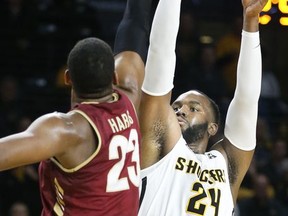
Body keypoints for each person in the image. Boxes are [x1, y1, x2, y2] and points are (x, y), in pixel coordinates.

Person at [0, 0, 153, 214]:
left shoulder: (68, 131)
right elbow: (135, 22)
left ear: (67, 78)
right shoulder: (130, 97)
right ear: (114, 76)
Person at [138, 0, 267, 215]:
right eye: (176, 106)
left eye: (193, 108)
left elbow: (247, 100)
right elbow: (160, 54)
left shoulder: (225, 165)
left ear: (213, 128)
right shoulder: (159, 149)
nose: (181, 110)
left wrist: (251, 22)